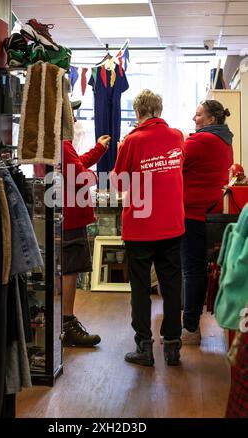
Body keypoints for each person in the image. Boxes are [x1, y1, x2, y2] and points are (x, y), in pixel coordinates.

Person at [112, 89, 185, 366]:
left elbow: (120, 184)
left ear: (138, 113)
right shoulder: (178, 136)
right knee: (171, 285)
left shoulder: (132, 141)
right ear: (160, 110)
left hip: (141, 227)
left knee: (141, 288)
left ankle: (144, 346)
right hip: (172, 224)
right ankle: (172, 346)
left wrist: (123, 153)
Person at [181, 100, 234, 345]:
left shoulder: (199, 141)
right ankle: (198, 326)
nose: (195, 118)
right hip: (213, 214)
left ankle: (190, 329)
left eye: (199, 114)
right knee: (203, 271)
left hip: (193, 214)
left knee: (192, 272)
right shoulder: (225, 141)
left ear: (212, 119)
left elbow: (174, 167)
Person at [62, 103, 111, 347]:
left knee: (68, 270)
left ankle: (64, 323)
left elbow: (76, 165)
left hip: (68, 216)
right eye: (71, 112)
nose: (74, 117)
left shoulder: (60, 145)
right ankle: (67, 325)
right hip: (71, 217)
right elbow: (80, 177)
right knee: (70, 271)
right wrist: (96, 177)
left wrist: (98, 150)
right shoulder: (62, 144)